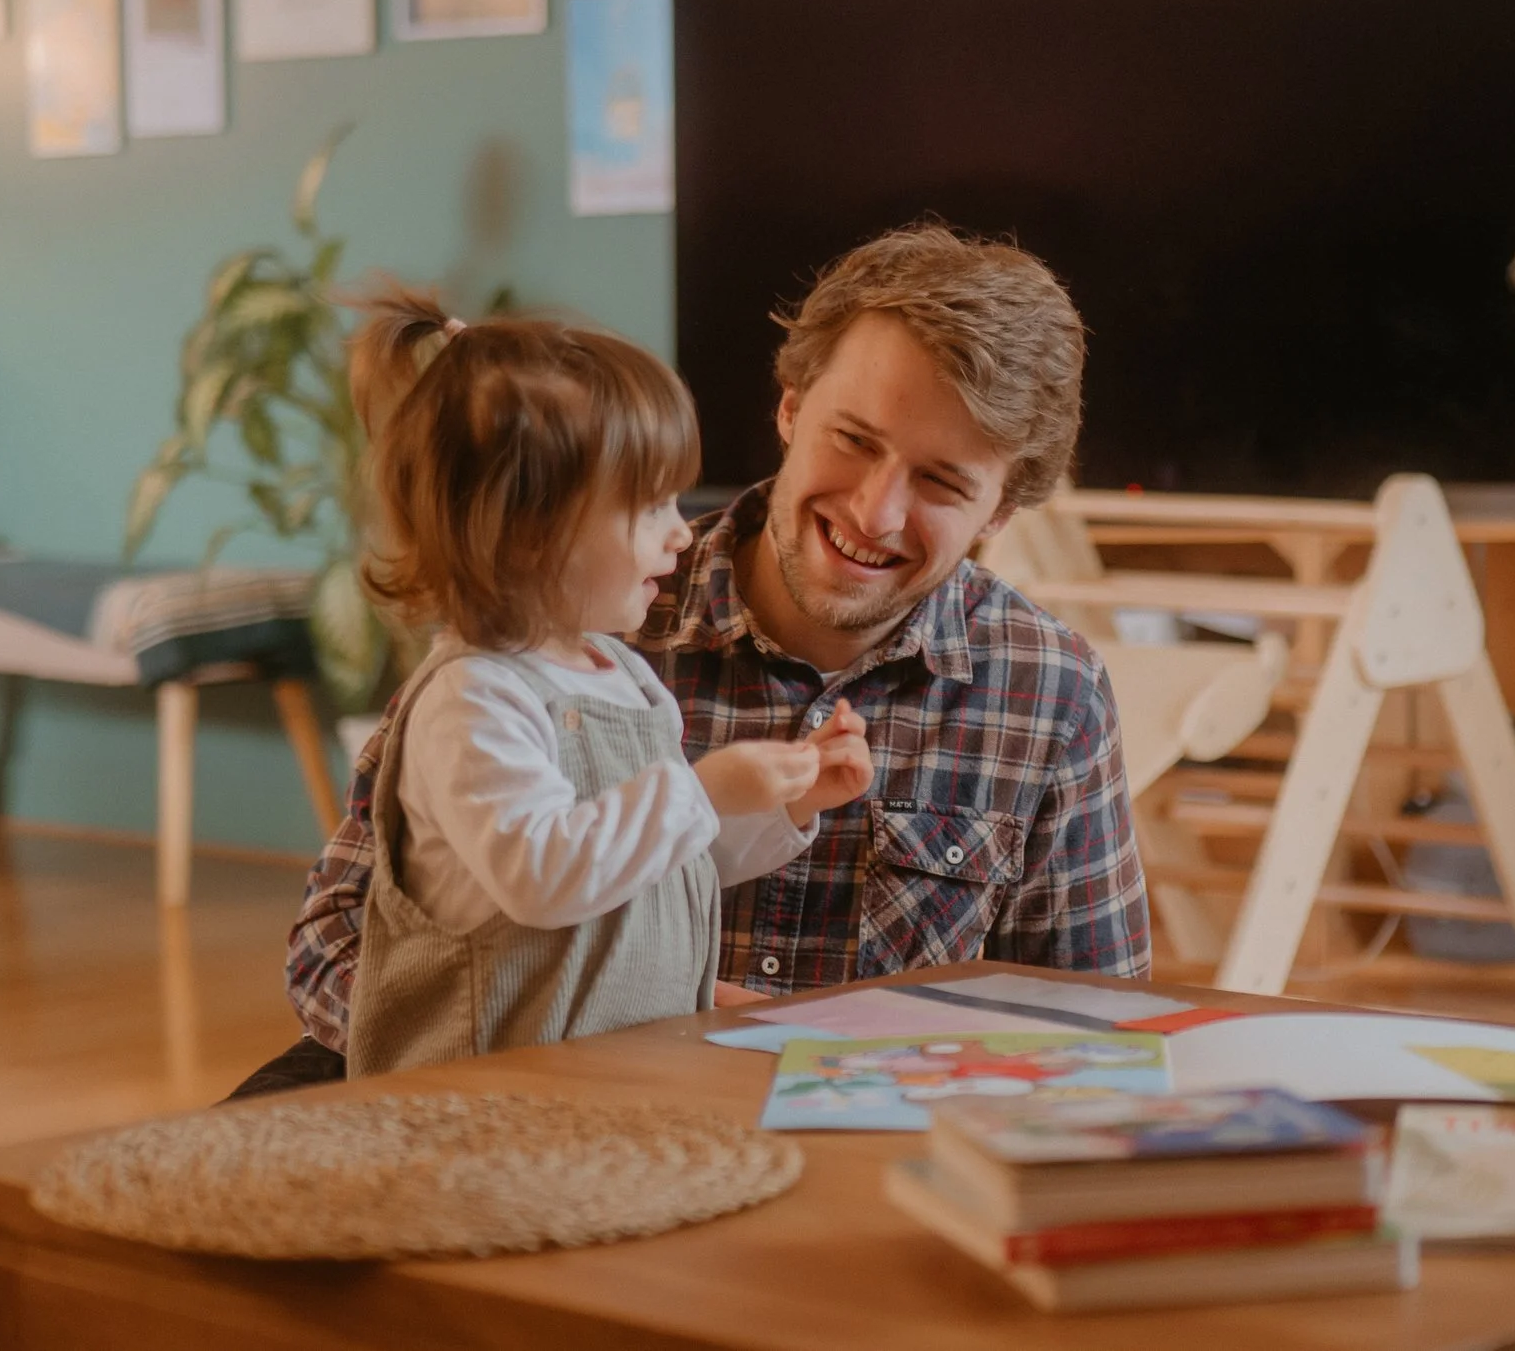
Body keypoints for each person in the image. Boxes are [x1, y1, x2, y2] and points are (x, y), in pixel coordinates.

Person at [256, 225, 1147, 1086]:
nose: (876, 513)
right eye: (854, 439)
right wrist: (626, 1038)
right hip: (494, 1093)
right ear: (791, 407)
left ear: (998, 514)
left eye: (943, 483)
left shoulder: (1050, 692)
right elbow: (337, 943)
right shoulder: (561, 604)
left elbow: (1088, 1025)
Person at [338, 290, 872, 1074]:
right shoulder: (475, 697)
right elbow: (545, 874)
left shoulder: (621, 673)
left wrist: (784, 801)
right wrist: (709, 789)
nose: (680, 528)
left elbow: (650, 870)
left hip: (610, 1090)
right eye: (647, 504)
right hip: (481, 1112)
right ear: (528, 536)